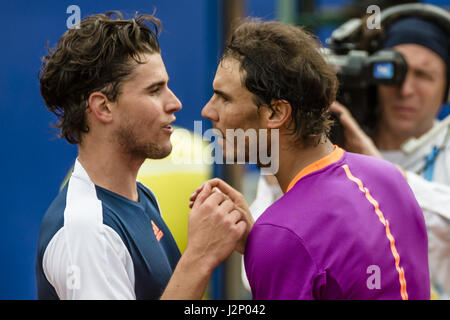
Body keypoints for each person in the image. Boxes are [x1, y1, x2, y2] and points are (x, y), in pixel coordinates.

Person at [192, 19, 430, 299]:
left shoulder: (284, 236)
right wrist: (264, 241)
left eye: (224, 98)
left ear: (276, 113)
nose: (208, 110)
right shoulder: (389, 178)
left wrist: (273, 241)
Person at [36, 12, 252, 300]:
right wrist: (199, 257)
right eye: (155, 90)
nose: (175, 103)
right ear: (103, 107)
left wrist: (253, 243)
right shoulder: (87, 231)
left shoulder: (141, 197)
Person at [328, 15, 450, 299]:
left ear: (446, 89)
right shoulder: (331, 150)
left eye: (424, 75)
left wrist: (383, 174)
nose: (405, 90)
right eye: (392, 71)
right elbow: (254, 277)